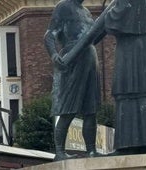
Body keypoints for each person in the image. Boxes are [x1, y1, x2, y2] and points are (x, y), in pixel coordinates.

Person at [96, 0, 146, 154]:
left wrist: (110, 13)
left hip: (136, 49)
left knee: (129, 93)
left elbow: (113, 21)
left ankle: (128, 146)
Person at [44, 0, 102, 160]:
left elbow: (93, 38)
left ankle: (91, 150)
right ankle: (60, 152)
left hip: (91, 58)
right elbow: (49, 35)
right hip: (72, 58)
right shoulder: (63, 7)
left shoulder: (87, 12)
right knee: (67, 109)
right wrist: (54, 55)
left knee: (91, 111)